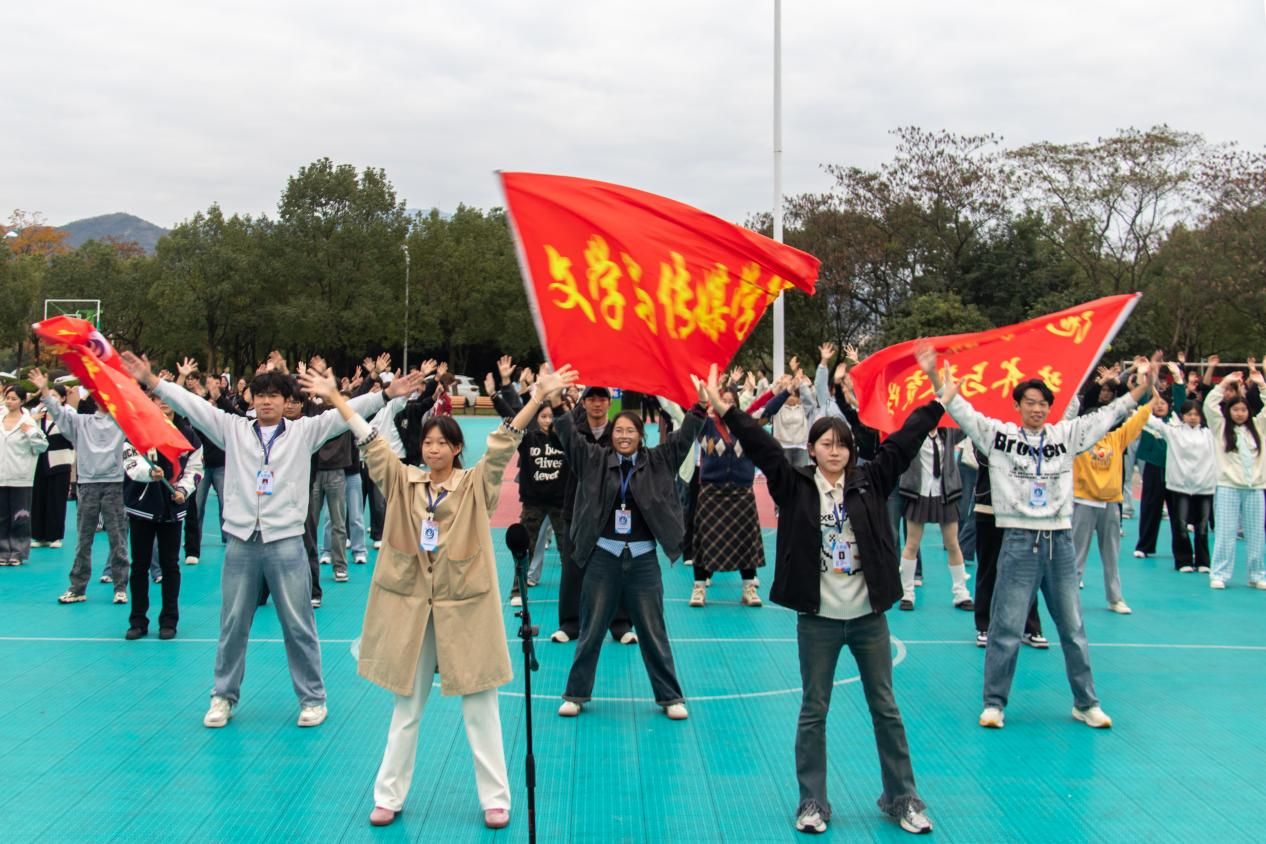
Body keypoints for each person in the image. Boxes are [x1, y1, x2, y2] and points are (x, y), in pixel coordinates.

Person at [302, 362, 577, 830]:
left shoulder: (475, 486)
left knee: (481, 708)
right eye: (427, 442)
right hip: (412, 612)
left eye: (442, 443)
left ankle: (496, 799)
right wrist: (336, 398)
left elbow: (504, 443)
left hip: (465, 611)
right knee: (406, 709)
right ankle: (388, 796)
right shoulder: (402, 481)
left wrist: (537, 397)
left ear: (456, 449)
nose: (433, 449)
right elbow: (370, 441)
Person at [121, 351, 421, 728]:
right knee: (232, 624)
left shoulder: (304, 431)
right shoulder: (232, 429)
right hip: (241, 542)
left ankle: (313, 698)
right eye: (261, 395)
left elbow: (345, 413)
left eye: (274, 396)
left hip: (286, 542)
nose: (267, 402)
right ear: (252, 399)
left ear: (286, 402)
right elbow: (193, 406)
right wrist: (153, 380)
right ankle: (222, 696)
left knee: (298, 624)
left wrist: (386, 394)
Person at [705, 357, 936, 837]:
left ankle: (903, 797)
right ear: (811, 449)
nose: (836, 451)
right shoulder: (794, 485)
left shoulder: (871, 481)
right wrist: (726, 411)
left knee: (886, 708)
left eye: (842, 444)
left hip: (868, 618)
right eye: (826, 444)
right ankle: (812, 801)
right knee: (814, 710)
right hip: (819, 620)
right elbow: (763, 445)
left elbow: (904, 442)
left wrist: (939, 399)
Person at [944, 355, 1153, 730]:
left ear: (1050, 408)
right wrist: (942, 387)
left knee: (1073, 628)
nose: (1037, 409)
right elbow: (968, 417)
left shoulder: (1065, 436)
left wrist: (1139, 390)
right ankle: (994, 703)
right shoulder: (1002, 437)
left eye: (1043, 403)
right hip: (1018, 541)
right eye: (1030, 402)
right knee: (1006, 628)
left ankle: (1086, 703)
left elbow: (1108, 415)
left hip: (1060, 542)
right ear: (1018, 406)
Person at [554, 373, 706, 719]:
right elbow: (568, 437)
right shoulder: (594, 460)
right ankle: (575, 694)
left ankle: (670, 697)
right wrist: (554, 402)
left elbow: (685, 438)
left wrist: (700, 406)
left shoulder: (658, 461)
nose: (624, 436)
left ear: (641, 435)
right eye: (619, 431)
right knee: (591, 630)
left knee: (653, 632)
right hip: (603, 559)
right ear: (612, 435)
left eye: (631, 431)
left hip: (643, 562)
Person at [688, 377, 791, 608]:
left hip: (741, 492)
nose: (725, 404)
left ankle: (748, 589)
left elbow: (768, 410)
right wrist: (700, 398)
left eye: (730, 402)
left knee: (747, 541)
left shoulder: (747, 428)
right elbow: (686, 415)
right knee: (704, 542)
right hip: (711, 492)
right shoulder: (704, 425)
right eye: (722, 400)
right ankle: (699, 588)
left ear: (736, 405)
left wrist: (785, 393)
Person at [31, 369, 130, 604]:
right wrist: (44, 391)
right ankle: (77, 588)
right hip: (87, 486)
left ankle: (120, 587)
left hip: (114, 484)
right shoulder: (81, 422)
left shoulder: (122, 423)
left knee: (117, 538)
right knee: (84, 540)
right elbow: (58, 412)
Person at [550, 386, 634, 645]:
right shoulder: (573, 432)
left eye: (602, 399)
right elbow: (554, 436)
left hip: (613, 511)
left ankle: (620, 624)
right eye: (592, 399)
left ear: (610, 403)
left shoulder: (618, 434)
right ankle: (570, 623)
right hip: (576, 509)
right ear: (583, 403)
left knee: (618, 566)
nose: (597, 404)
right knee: (573, 568)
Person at [122, 391, 203, 640]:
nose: (164, 403)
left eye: (168, 399)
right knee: (140, 565)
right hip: (142, 506)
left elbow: (195, 468)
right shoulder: (137, 431)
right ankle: (138, 620)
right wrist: (149, 473)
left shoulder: (188, 435)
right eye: (157, 399)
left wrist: (183, 490)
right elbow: (131, 464)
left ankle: (169, 620)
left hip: (172, 508)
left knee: (170, 565)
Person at [1070, 384, 1153, 615]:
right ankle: (1069, 598)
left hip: (1110, 504)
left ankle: (1115, 598)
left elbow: (1136, 422)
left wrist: (1152, 399)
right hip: (1083, 502)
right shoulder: (1076, 443)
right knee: (1076, 554)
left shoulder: (1115, 439)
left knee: (1111, 554)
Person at [896, 427, 974, 612]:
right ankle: (907, 593)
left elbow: (966, 425)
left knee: (953, 543)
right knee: (912, 544)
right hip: (919, 492)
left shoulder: (949, 433)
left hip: (945, 493)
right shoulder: (912, 433)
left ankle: (961, 593)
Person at [1204, 371, 1266, 589]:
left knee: (1256, 533)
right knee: (1225, 532)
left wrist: (1262, 385)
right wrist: (1224, 383)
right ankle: (1219, 574)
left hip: (1255, 488)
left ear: (1249, 411)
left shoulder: (1258, 427)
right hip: (1228, 487)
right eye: (1235, 410)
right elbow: (1209, 405)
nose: (1240, 414)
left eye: (1243, 410)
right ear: (1229, 411)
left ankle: (1257, 574)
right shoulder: (1220, 427)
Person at [1144, 393, 1216, 572]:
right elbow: (1150, 421)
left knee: (1202, 527)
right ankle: (1184, 560)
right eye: (1189, 414)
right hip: (1180, 486)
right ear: (1182, 415)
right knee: (1181, 525)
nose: (1193, 417)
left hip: (1204, 486)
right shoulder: (1173, 432)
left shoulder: (1210, 434)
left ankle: (1203, 561)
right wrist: (1147, 401)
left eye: (1196, 414)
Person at [0, 386, 49, 566]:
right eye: (8, 398)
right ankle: (3, 551)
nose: (9, 401)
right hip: (1, 476)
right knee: (2, 517)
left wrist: (30, 432)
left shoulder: (29, 421)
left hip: (21, 477)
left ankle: (18, 552)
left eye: (14, 399)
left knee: (20, 517)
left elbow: (42, 446)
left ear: (22, 401)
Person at [30, 385, 74, 550]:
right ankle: (39, 535)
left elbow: (72, 436)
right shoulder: (38, 414)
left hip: (60, 462)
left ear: (63, 398)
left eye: (55, 395)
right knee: (39, 498)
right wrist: (33, 419)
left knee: (57, 499)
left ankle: (55, 536)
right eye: (49, 395)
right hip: (40, 461)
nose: (51, 398)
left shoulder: (68, 415)